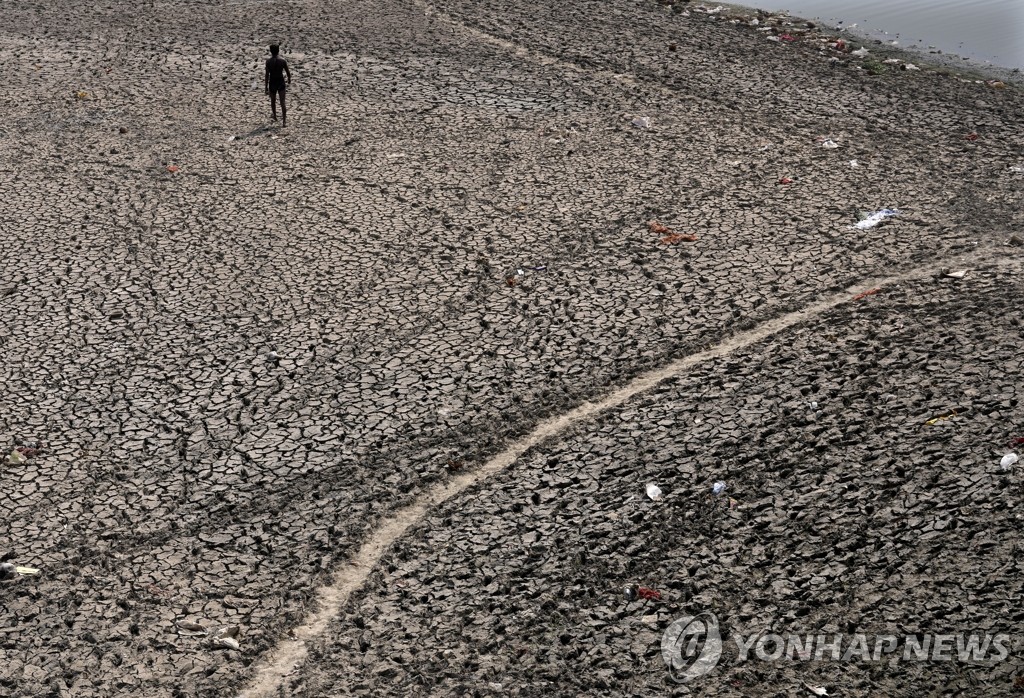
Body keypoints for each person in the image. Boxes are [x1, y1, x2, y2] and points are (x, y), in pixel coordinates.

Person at [265, 44, 292, 126]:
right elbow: (288, 72)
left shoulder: (268, 61)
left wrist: (266, 87)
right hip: (280, 81)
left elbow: (267, 75)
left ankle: (275, 116)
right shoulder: (283, 61)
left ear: (270, 51)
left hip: (272, 82)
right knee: (282, 102)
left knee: (273, 101)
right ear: (278, 51)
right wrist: (289, 79)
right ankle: (284, 121)